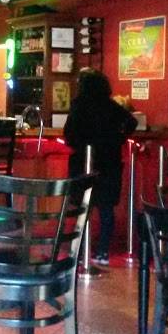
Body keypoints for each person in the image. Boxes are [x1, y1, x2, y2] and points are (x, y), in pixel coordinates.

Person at [64, 68, 137, 265]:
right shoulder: (110, 105)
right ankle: (103, 251)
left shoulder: (79, 105)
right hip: (109, 162)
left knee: (83, 208)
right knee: (106, 208)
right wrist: (119, 138)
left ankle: (80, 251)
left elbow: (69, 134)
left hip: (84, 162)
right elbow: (132, 121)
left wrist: (81, 143)